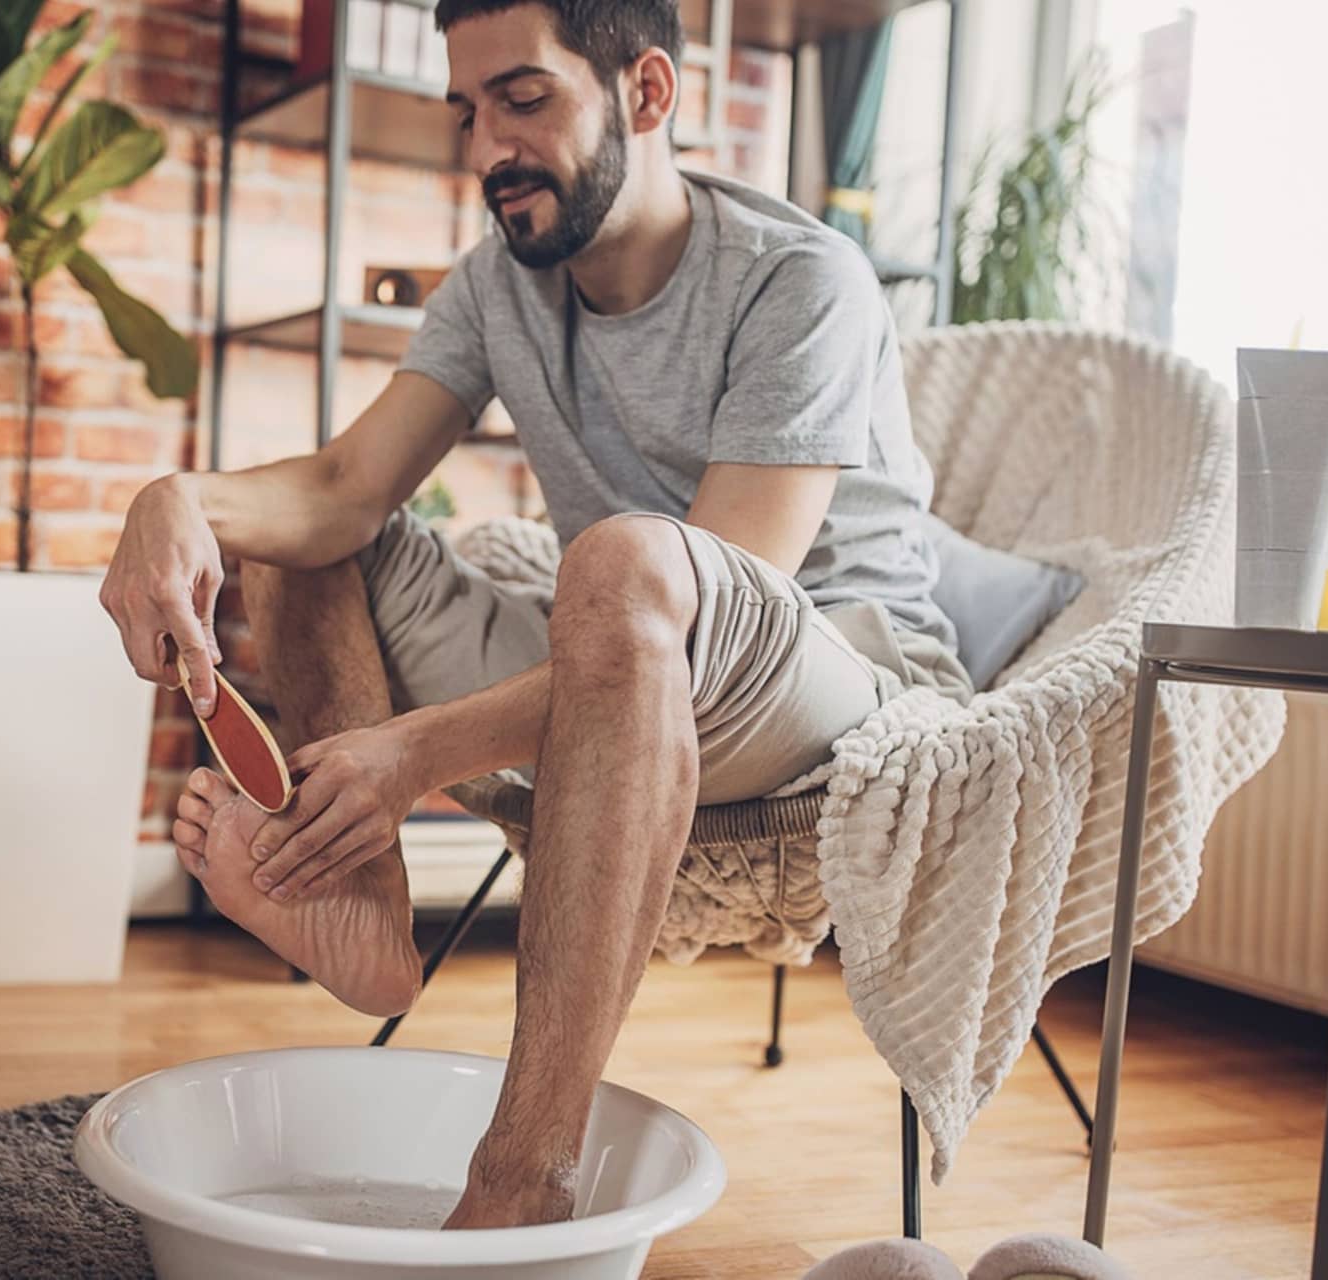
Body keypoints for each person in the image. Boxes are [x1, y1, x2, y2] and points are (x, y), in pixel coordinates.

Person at [100, 0, 971, 1230]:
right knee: (301, 541)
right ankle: (356, 901)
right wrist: (177, 498)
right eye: (466, 113)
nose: (485, 151)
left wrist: (413, 750)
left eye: (523, 99)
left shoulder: (800, 281)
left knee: (621, 567)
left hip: (830, 675)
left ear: (648, 94)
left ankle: (524, 1176)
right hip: (622, 647)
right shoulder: (493, 288)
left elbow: (722, 603)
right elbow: (344, 490)